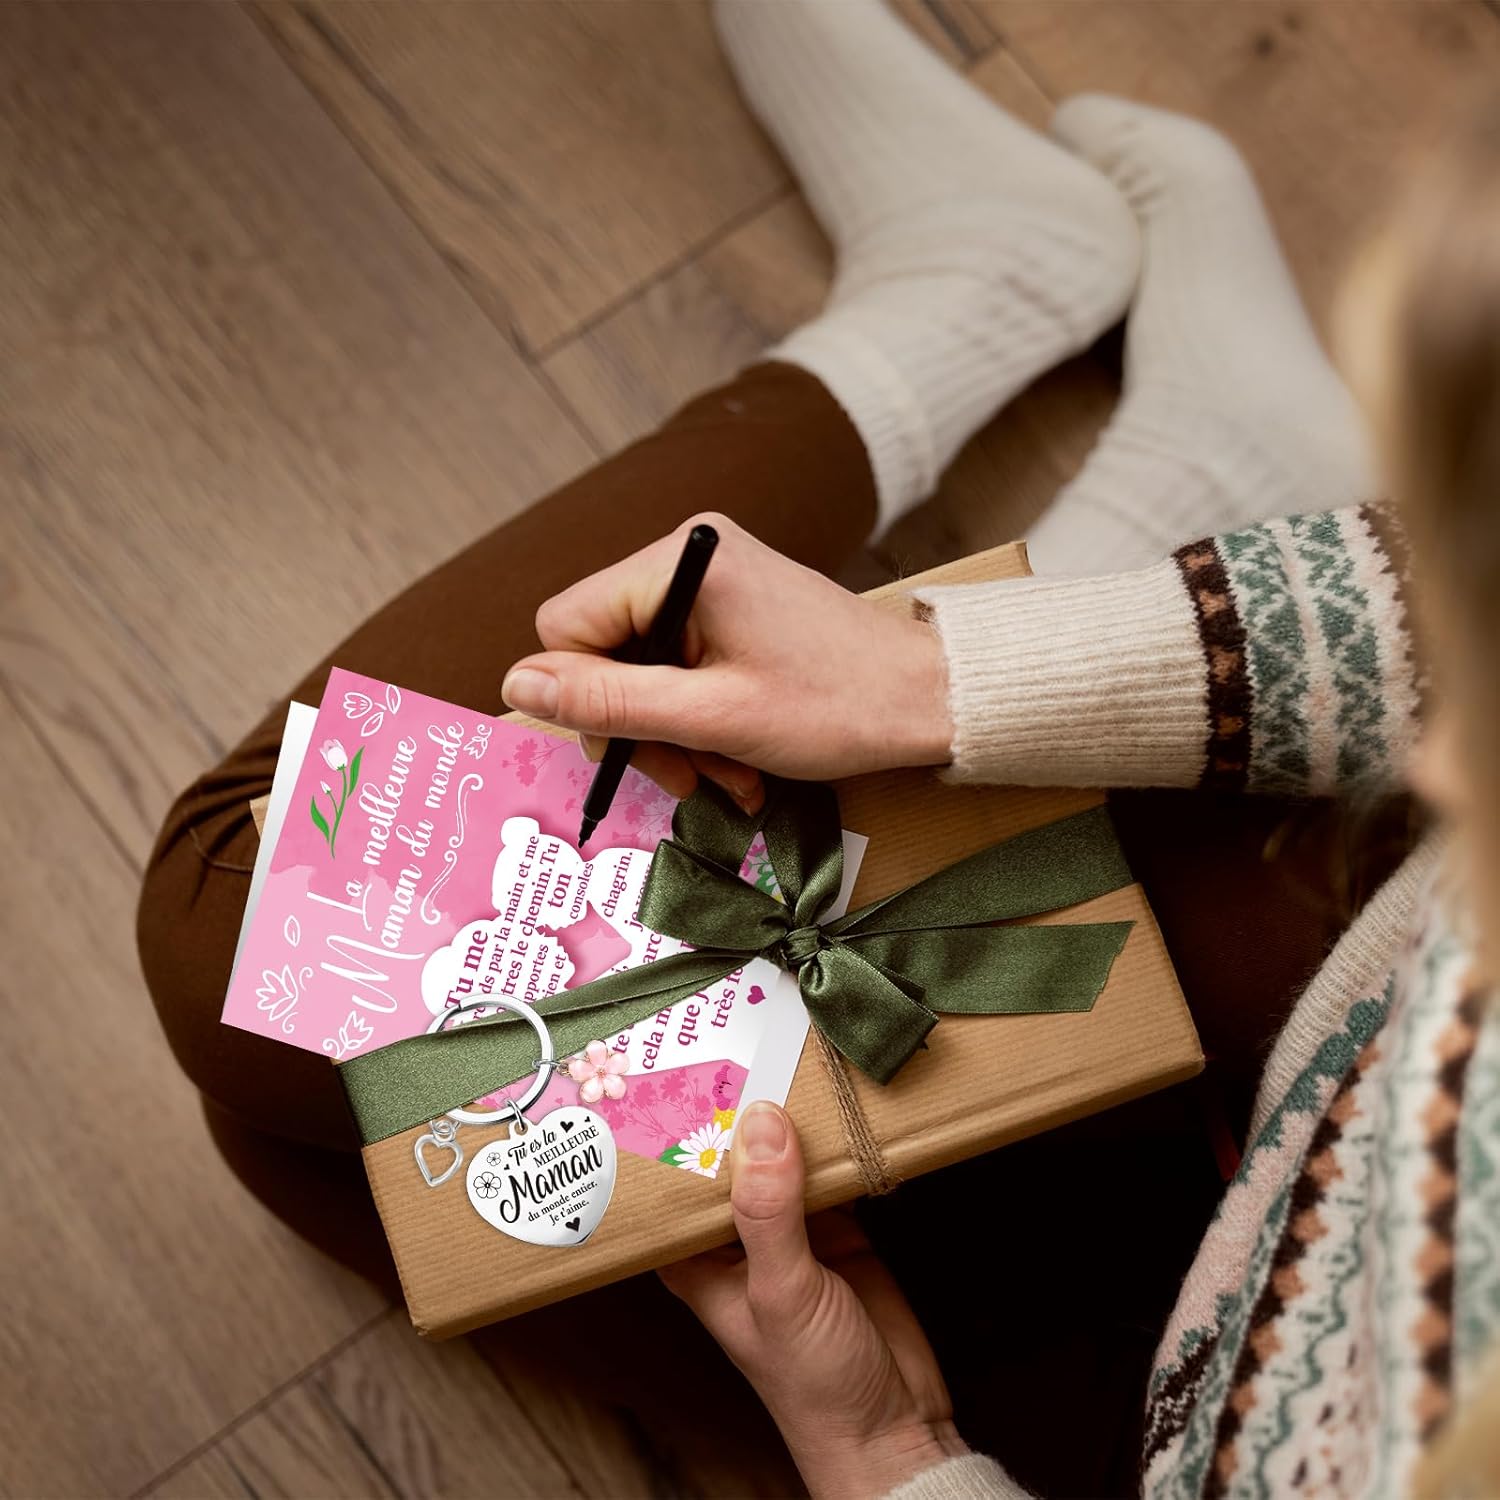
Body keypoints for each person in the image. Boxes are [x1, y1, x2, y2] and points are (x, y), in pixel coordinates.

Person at [134, 1, 1497, 1493]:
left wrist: (892, 1451)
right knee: (287, 1075)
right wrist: (934, 681)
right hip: (1300, 1115)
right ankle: (1175, 449)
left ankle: (991, 304)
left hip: (1156, 1408)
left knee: (246, 961)